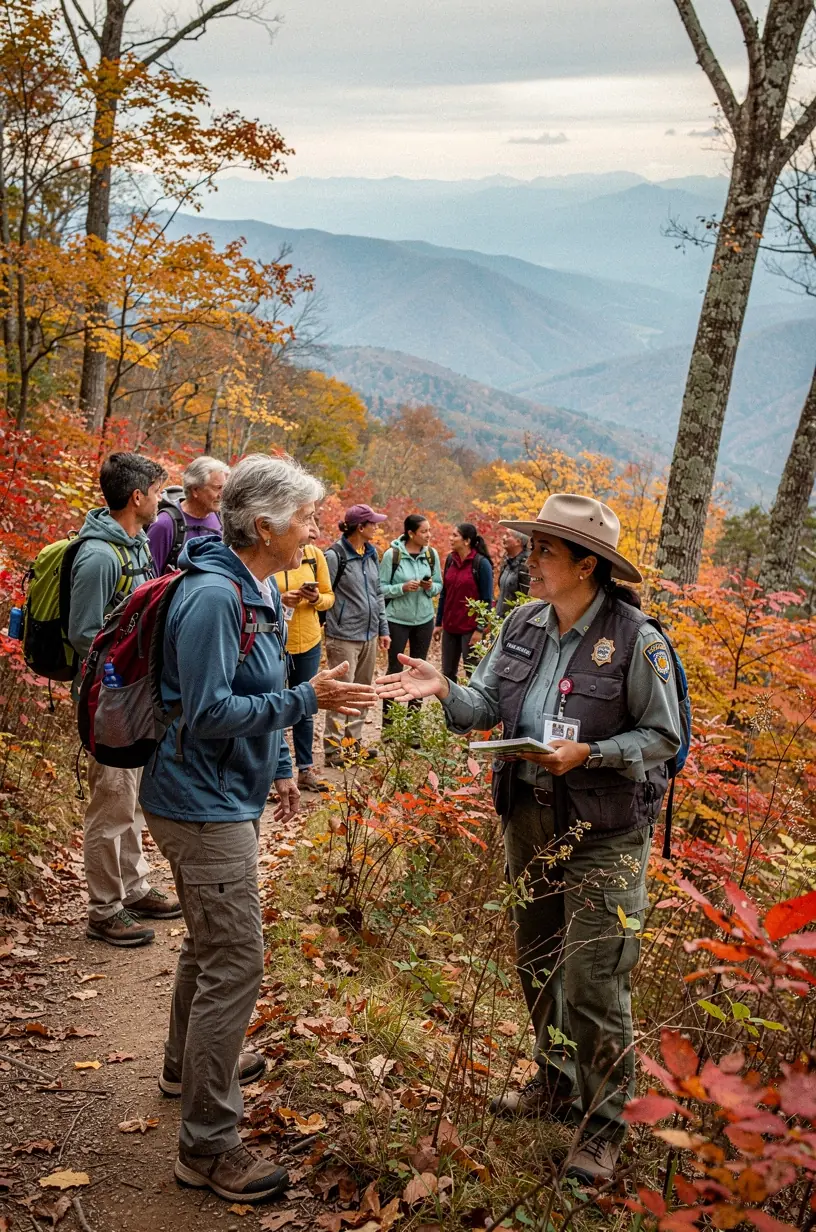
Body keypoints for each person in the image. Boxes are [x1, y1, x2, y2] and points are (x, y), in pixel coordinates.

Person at [377, 493, 682, 1189]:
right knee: (538, 959)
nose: (529, 559)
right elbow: (486, 704)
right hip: (528, 817)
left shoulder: (638, 640)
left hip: (605, 831)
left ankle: (604, 1127)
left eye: (545, 550)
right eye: (533, 547)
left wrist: (593, 753)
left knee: (595, 977)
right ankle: (558, 1078)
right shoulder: (521, 623)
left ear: (587, 564)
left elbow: (664, 737)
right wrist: (441, 689)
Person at [138, 455, 378, 1205]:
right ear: (264, 524)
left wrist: (279, 765)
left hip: (224, 794)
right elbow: (209, 713)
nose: (316, 530)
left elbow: (261, 687)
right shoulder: (214, 596)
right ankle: (207, 1147)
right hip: (197, 800)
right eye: (307, 518)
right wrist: (305, 702)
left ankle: (186, 1066)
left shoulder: (259, 587)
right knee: (237, 961)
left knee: (211, 947)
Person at [68, 452, 182, 948]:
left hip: (134, 696)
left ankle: (133, 888)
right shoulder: (98, 556)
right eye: (157, 492)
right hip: (108, 700)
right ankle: (103, 909)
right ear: (137, 497)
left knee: (131, 799)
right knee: (111, 801)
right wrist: (119, 679)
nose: (161, 500)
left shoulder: (135, 545)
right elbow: (83, 634)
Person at [323, 504, 391, 767]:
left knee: (362, 691)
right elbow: (325, 595)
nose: (377, 527)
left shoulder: (371, 554)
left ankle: (352, 746)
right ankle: (332, 749)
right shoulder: (335, 555)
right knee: (341, 692)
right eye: (373, 523)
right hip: (342, 636)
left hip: (369, 635)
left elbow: (377, 594)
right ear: (360, 528)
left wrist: (383, 629)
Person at [272, 520, 334, 792]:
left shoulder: (314, 555)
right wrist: (282, 599)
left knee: (306, 706)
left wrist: (314, 598)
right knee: (272, 706)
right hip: (275, 640)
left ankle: (305, 770)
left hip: (308, 640)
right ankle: (273, 771)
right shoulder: (273, 556)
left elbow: (329, 597)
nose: (312, 532)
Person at [379, 514, 442, 731]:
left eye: (429, 531)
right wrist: (402, 588)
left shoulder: (432, 555)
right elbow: (381, 588)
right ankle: (389, 726)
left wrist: (429, 587)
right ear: (411, 533)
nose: (428, 535)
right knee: (395, 668)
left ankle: (413, 727)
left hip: (424, 620)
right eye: (424, 531)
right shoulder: (392, 555)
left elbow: (439, 586)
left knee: (420, 669)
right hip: (396, 619)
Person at [148, 456, 229, 575]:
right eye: (217, 488)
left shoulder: (222, 519)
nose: (222, 494)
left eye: (224, 487)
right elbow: (149, 580)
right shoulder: (165, 524)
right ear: (195, 490)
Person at [434, 522, 493, 681]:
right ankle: (448, 706)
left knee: (472, 673)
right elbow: (444, 594)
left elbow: (487, 599)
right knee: (447, 674)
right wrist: (439, 623)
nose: (450, 538)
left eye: (455, 535)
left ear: (466, 541)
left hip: (470, 629)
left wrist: (480, 630)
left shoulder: (481, 564)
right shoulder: (450, 560)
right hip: (450, 628)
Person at [496, 528, 531, 616]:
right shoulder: (506, 562)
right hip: (499, 620)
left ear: (518, 542)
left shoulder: (526, 564)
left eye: (507, 535)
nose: (503, 537)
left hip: (514, 621)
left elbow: (526, 599)